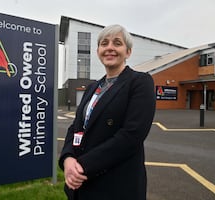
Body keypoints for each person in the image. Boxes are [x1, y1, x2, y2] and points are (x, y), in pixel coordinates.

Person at [59, 24, 156, 200]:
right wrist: (67, 159)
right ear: (98, 52)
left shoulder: (140, 82)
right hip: (82, 185)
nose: (109, 48)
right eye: (104, 43)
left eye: (117, 43)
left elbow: (131, 135)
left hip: (116, 186)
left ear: (128, 52)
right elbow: (76, 127)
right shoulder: (92, 88)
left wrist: (82, 166)